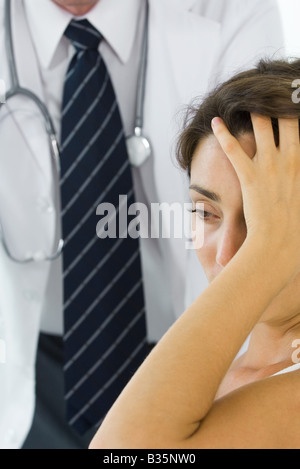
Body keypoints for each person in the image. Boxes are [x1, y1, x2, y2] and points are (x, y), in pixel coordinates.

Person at [0, 0, 285, 449]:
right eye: (204, 212)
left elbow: (264, 179)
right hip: (28, 357)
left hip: (186, 340)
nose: (227, 250)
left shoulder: (231, 11)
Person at [90, 58, 300, 449]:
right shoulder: (218, 376)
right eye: (206, 212)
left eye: (268, 220)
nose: (226, 254)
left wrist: (267, 252)